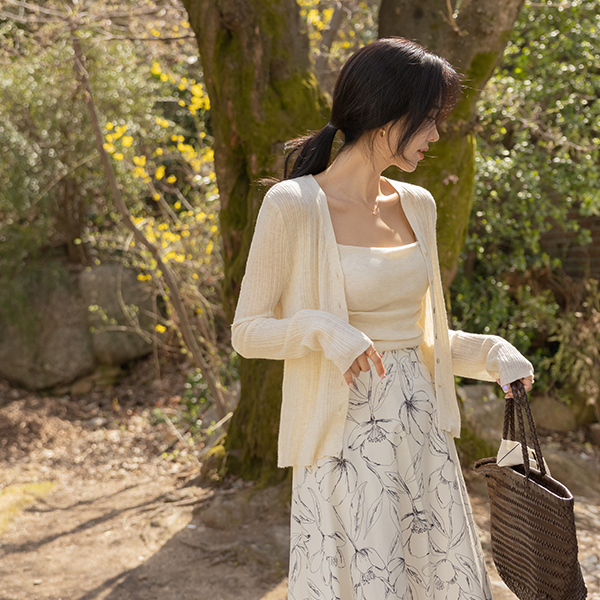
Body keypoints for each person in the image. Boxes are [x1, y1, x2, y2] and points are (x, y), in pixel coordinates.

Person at [231, 37, 534, 600]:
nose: (436, 134)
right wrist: (322, 330)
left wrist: (493, 352)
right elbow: (247, 333)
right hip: (342, 441)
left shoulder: (418, 204)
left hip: (422, 434)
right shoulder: (293, 205)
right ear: (388, 111)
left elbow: (419, 340)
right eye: (429, 118)